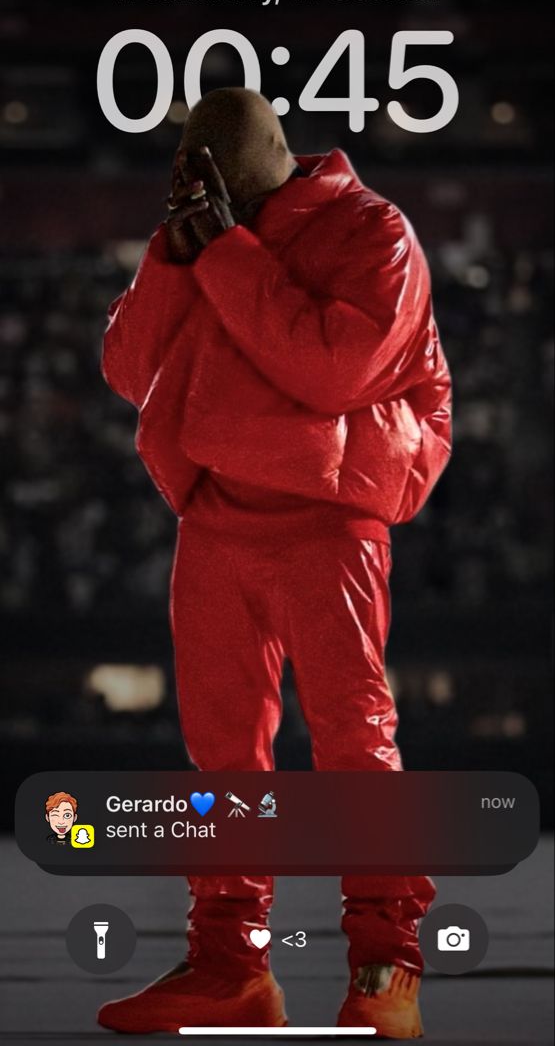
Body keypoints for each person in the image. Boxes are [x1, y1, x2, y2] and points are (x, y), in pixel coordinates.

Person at [98, 88, 451, 1037]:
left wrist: (224, 251)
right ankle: (229, 965)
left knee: (351, 741)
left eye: (210, 190)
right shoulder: (207, 237)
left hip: (329, 522)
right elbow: (130, 369)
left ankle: (385, 966)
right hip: (216, 520)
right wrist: (179, 254)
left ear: (250, 175)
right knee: (220, 757)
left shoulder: (374, 231)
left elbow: (331, 369)